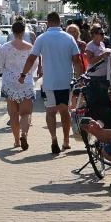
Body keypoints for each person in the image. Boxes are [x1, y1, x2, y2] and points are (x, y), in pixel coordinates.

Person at [20, 12, 83, 155]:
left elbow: (31, 58)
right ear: (60, 22)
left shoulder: (42, 38)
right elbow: (77, 61)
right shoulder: (69, 38)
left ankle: (53, 138)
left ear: (48, 22)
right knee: (64, 111)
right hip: (66, 81)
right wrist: (79, 79)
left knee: (50, 112)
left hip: (49, 82)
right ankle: (66, 141)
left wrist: (23, 74)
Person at [0, 19, 36, 150]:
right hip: (25, 81)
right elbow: (33, 65)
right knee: (26, 113)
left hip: (10, 82)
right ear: (24, 31)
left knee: (13, 114)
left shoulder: (5, 47)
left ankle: (16, 141)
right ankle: (24, 134)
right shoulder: (30, 47)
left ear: (12, 31)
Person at [84, 25, 111, 128]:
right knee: (98, 103)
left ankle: (107, 125)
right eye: (101, 34)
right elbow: (90, 61)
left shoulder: (102, 44)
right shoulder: (90, 46)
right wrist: (103, 55)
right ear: (94, 35)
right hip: (95, 79)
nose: (103, 36)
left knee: (106, 102)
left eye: (104, 33)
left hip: (104, 78)